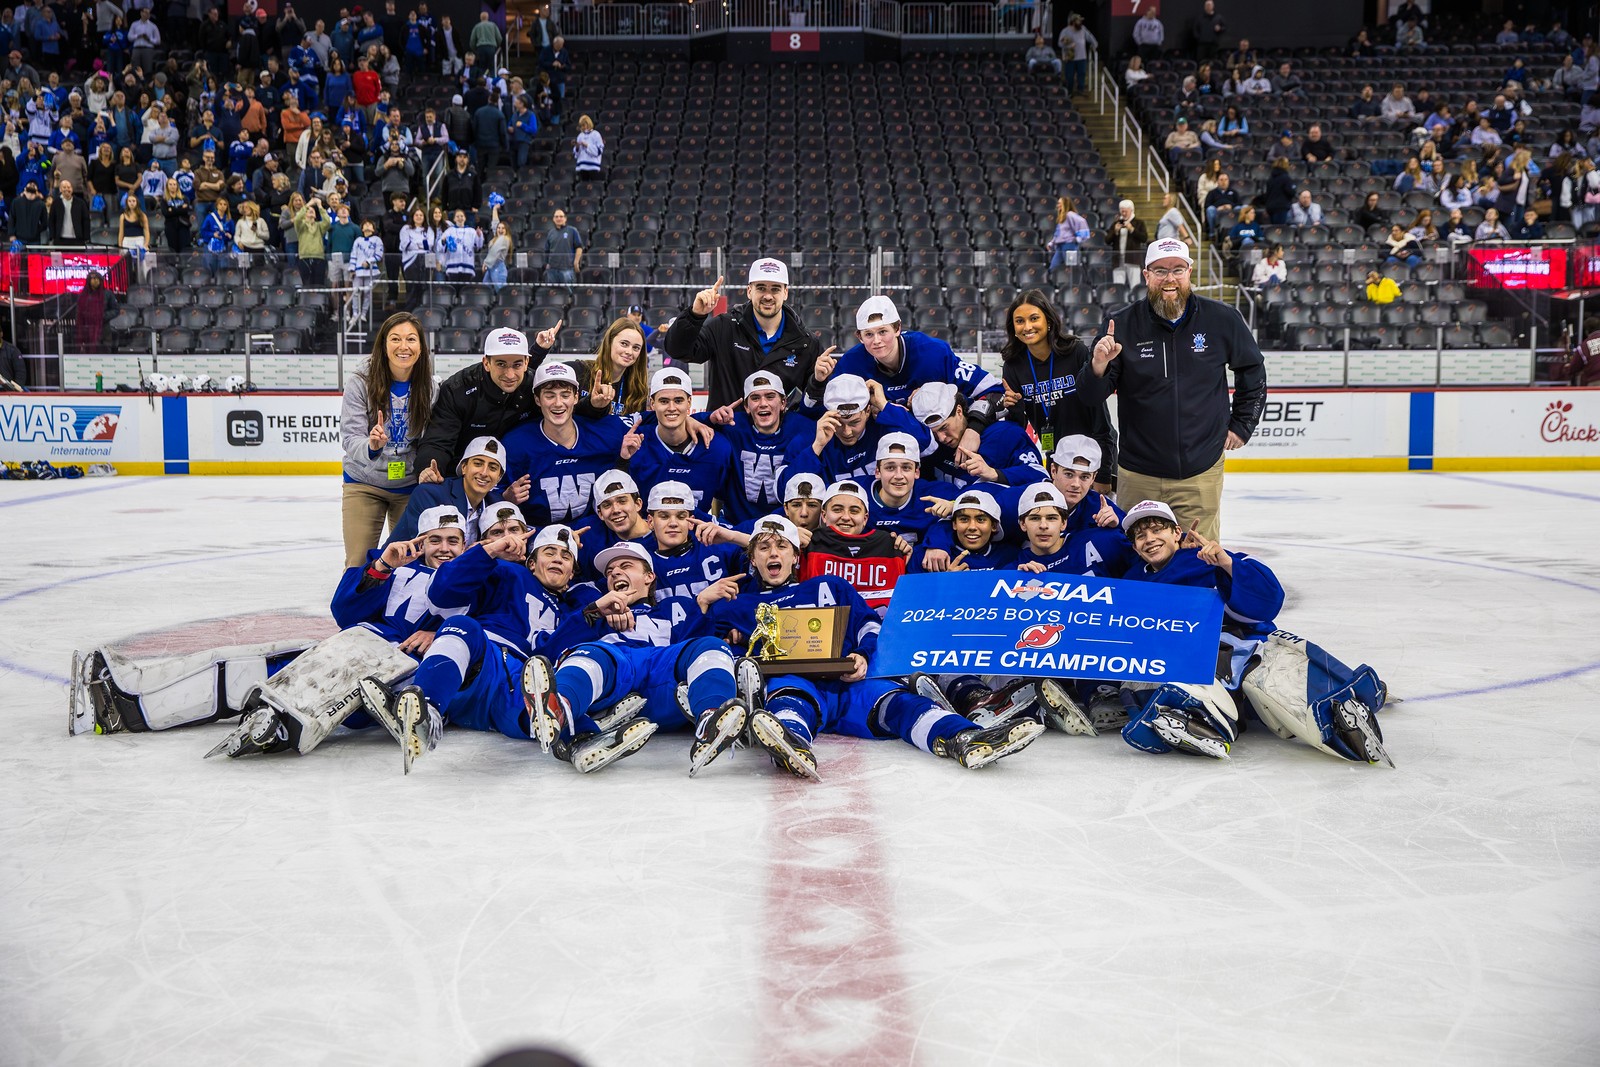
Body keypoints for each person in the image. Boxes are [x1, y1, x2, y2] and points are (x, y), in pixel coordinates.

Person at [705, 515, 1044, 776]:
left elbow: (868, 624)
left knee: (899, 704)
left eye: (782, 547)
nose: (773, 553)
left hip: (850, 680)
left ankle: (964, 738)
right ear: (753, 559)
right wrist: (704, 604)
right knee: (790, 700)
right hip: (795, 681)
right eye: (764, 548)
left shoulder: (830, 585)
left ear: (796, 556)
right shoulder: (738, 606)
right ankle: (790, 742)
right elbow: (709, 652)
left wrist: (863, 655)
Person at [1115, 500, 1393, 765]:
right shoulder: (1131, 580)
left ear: (1177, 532)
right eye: (1140, 536)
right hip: (1188, 659)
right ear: (1135, 547)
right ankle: (1193, 720)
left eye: (1157, 530)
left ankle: (1336, 712)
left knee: (1274, 675)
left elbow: (1268, 601)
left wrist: (1227, 564)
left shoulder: (1207, 559)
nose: (1149, 539)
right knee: (1150, 679)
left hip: (1241, 648)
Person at [1079, 238, 1266, 541]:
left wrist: (1243, 424)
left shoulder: (1222, 319)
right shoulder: (1120, 324)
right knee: (1134, 556)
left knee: (1198, 558)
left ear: (1190, 272)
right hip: (1138, 474)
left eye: (1178, 269)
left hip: (1200, 471)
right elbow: (1090, 395)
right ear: (1146, 275)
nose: (1170, 278)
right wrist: (1098, 365)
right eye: (1160, 270)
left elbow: (1253, 371)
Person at [664, 257, 827, 412]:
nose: (768, 296)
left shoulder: (806, 343)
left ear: (785, 293)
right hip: (726, 429)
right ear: (749, 291)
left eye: (775, 289)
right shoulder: (723, 327)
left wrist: (818, 381)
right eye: (761, 288)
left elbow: (813, 402)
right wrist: (695, 315)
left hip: (779, 432)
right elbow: (678, 351)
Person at [340, 312, 438, 567]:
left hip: (409, 487)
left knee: (409, 563)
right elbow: (350, 437)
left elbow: (431, 441)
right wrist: (371, 446)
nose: (403, 346)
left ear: (421, 347)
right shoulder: (360, 382)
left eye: (411, 339)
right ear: (383, 345)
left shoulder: (430, 387)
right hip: (364, 483)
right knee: (358, 563)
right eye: (395, 339)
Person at [998, 289, 1115, 487]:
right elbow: (1018, 425)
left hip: (1093, 460)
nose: (1027, 327)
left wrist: (1103, 474)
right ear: (1013, 328)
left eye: (1034, 318)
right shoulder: (1013, 365)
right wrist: (1012, 406)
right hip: (1056, 461)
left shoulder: (1075, 351)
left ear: (1049, 320)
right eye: (1019, 321)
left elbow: (1100, 419)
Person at [415, 325, 558, 479]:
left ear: (526, 363)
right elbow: (438, 441)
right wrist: (429, 469)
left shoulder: (534, 386)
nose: (510, 375)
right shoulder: (457, 389)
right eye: (501, 364)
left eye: (517, 364)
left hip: (515, 472)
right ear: (486, 363)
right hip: (461, 475)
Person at [502, 361, 630, 526]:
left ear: (576, 397)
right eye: (549, 396)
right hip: (537, 535)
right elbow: (493, 494)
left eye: (565, 395)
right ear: (537, 399)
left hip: (593, 532)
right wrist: (505, 500)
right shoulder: (516, 444)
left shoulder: (605, 433)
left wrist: (624, 459)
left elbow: (650, 422)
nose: (558, 403)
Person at [705, 369, 818, 526]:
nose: (763, 404)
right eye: (755, 398)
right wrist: (708, 419)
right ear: (746, 406)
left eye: (770, 396)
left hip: (786, 527)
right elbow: (684, 427)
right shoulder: (732, 425)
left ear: (783, 403)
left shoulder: (802, 427)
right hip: (735, 524)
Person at [619, 367, 735, 511]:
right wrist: (622, 461)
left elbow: (726, 498)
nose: (671, 408)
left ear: (689, 402)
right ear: (652, 403)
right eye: (664, 401)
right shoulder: (636, 443)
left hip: (697, 525)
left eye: (678, 401)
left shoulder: (718, 447)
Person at [1103, 200, 1148, 287]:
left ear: (1131, 210)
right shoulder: (1116, 224)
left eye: (1125, 211)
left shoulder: (1139, 223)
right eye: (1122, 211)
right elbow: (1107, 241)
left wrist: (1132, 229)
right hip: (1118, 260)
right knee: (1118, 286)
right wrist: (1115, 231)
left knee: (1135, 285)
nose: (1123, 213)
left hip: (1133, 260)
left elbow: (1144, 238)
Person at [541, 208, 583, 284]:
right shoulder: (550, 233)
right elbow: (547, 250)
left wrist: (576, 262)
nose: (559, 218)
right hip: (552, 270)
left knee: (567, 290)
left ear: (565, 218)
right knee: (552, 290)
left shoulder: (572, 230)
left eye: (561, 216)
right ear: (553, 219)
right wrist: (547, 264)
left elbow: (579, 247)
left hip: (567, 269)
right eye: (556, 217)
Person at [1056, 13, 1094, 96]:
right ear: (1073, 22)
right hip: (1070, 57)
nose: (1080, 22)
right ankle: (1069, 91)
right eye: (1078, 21)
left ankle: (1080, 90)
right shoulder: (1065, 31)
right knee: (1069, 76)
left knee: (1082, 73)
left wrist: (1095, 44)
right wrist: (1069, 46)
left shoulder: (1083, 29)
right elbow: (1059, 43)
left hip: (1082, 57)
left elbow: (1089, 37)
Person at [1048, 196, 1090, 268]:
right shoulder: (1062, 217)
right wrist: (1052, 243)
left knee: (1071, 268)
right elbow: (1059, 233)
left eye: (1060, 203)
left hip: (1069, 245)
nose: (1058, 205)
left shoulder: (1070, 215)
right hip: (1060, 246)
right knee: (1053, 268)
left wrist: (1079, 238)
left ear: (1065, 204)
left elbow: (1082, 221)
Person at [48, 179, 91, 246]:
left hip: (77, 240)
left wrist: (86, 237)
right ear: (60, 189)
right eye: (64, 187)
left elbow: (86, 220)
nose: (67, 189)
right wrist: (52, 236)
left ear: (72, 189)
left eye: (69, 187)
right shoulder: (56, 203)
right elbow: (51, 220)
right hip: (60, 240)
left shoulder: (81, 203)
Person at [573, 114, 603, 179]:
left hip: (593, 166)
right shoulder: (580, 136)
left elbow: (599, 151)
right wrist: (577, 147)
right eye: (581, 126)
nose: (583, 127)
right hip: (582, 166)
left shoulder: (596, 134)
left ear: (588, 124)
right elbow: (577, 154)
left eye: (584, 125)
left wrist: (587, 145)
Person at [0, 323, 25, 390]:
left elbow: (20, 373)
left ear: (1, 334)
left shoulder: (12, 350)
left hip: (8, 392)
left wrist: (16, 390)